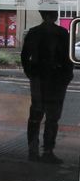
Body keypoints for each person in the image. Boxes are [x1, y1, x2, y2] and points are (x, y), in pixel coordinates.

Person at [20, 10, 74, 164]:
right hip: (56, 80)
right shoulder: (63, 33)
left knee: (36, 116)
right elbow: (68, 60)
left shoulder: (34, 32)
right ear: (54, 16)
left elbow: (24, 56)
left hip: (39, 78)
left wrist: (31, 73)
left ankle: (33, 151)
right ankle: (48, 151)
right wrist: (66, 77)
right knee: (52, 118)